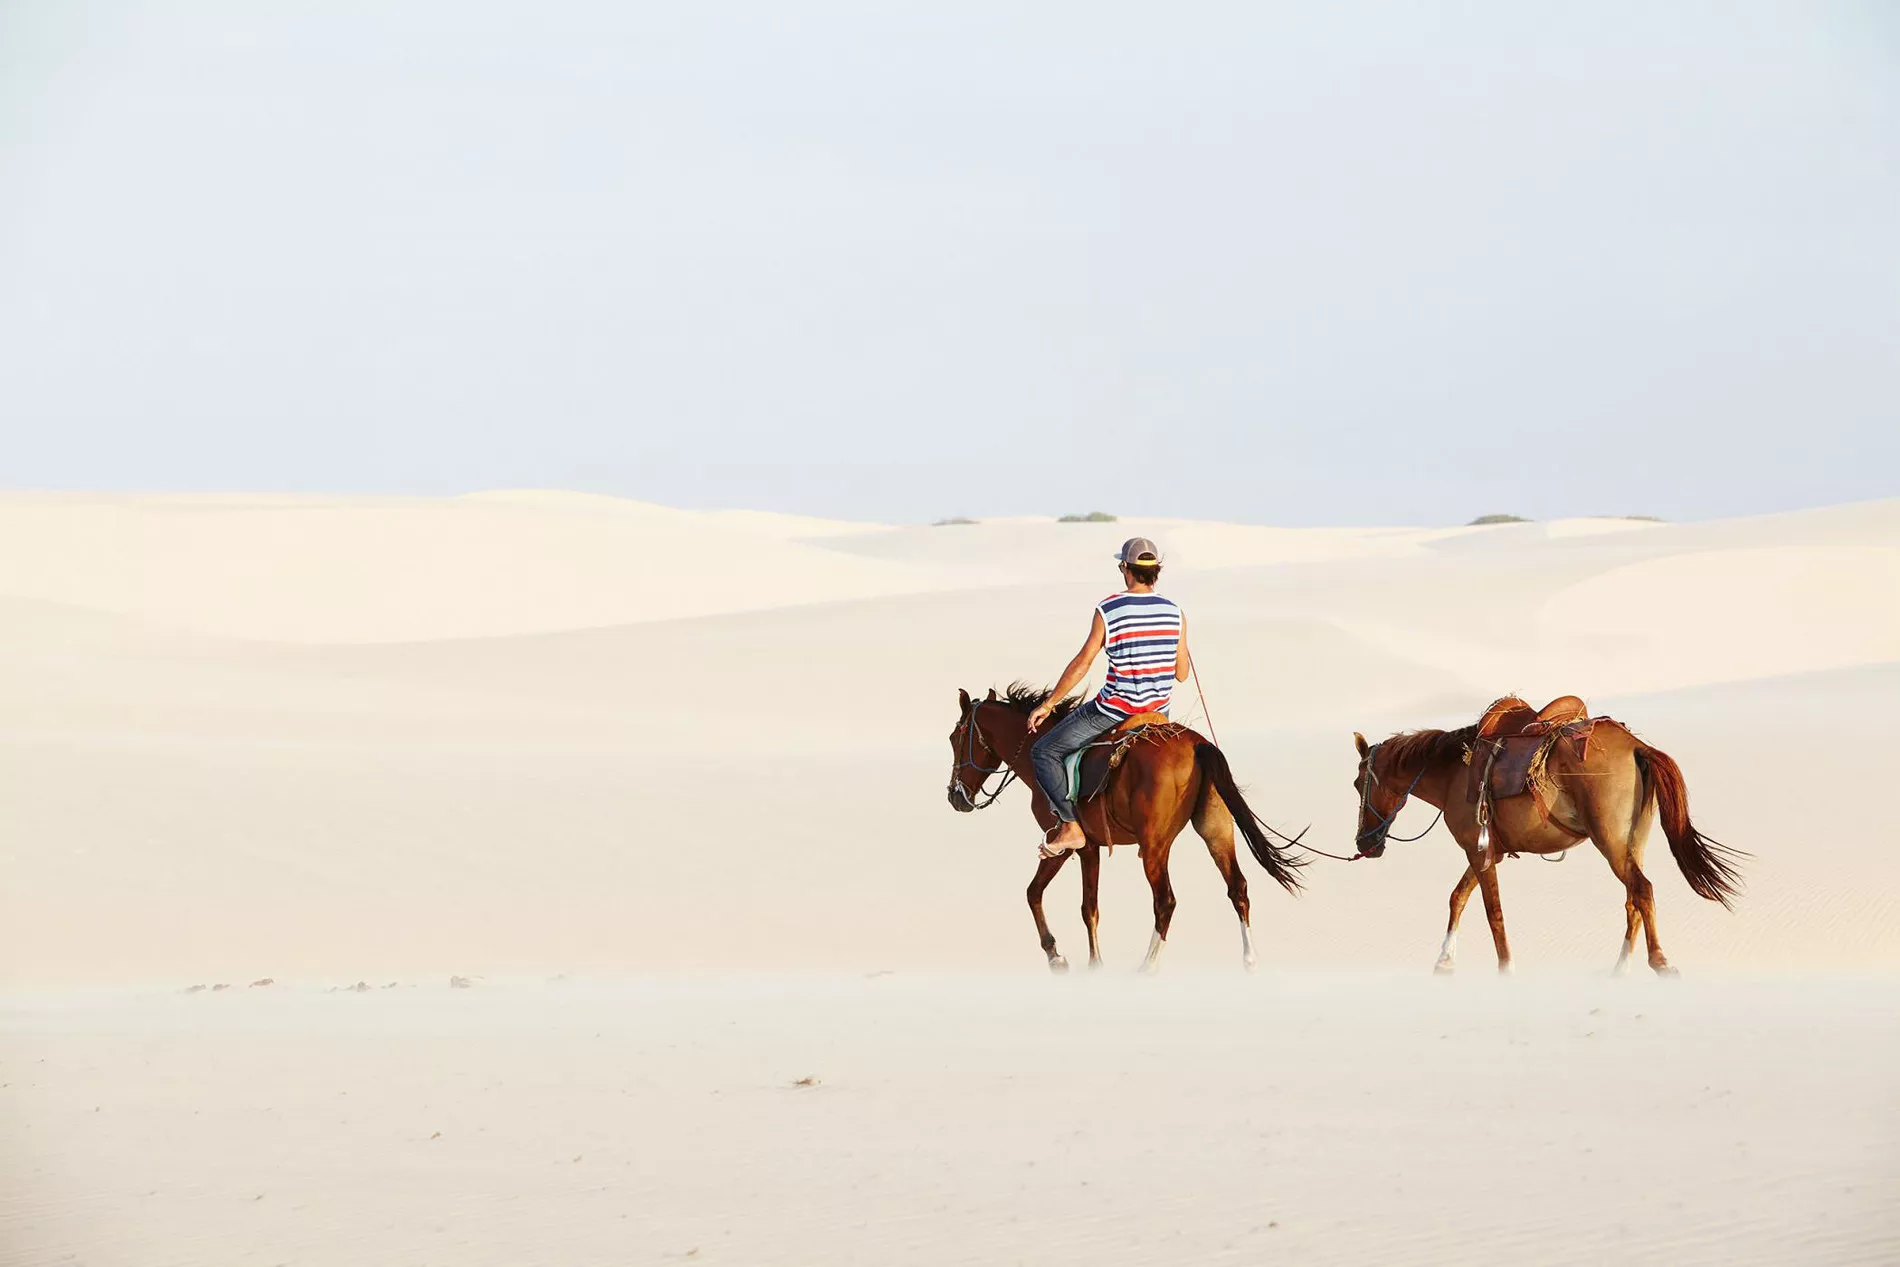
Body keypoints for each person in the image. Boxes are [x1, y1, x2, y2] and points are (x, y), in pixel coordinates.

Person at [1026, 537, 1190, 857]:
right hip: (1159, 714)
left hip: (1115, 710)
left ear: (1126, 570)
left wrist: (1048, 704)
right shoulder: (1175, 612)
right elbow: (1182, 673)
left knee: (1044, 751)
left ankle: (1071, 826)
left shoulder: (1109, 608)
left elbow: (1083, 662)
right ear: (1155, 572)